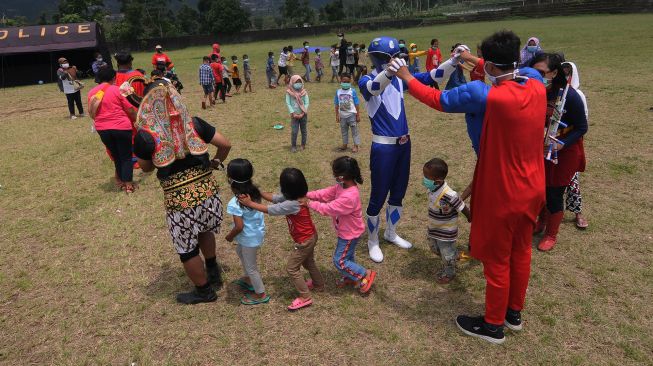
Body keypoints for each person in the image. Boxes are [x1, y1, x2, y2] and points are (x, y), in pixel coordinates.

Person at [393, 30, 547, 344]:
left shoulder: (484, 93)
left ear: (489, 65)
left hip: (502, 193)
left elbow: (438, 99)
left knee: (497, 259)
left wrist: (408, 76)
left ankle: (492, 326)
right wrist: (469, 58)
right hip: (533, 187)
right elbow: (509, 69)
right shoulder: (535, 82)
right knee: (521, 250)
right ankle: (513, 314)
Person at [134, 83, 232, 304]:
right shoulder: (194, 122)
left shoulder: (145, 136)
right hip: (208, 193)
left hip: (180, 202)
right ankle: (213, 270)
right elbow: (225, 144)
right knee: (205, 229)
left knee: (186, 248)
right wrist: (216, 161)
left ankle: (204, 291)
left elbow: (147, 168)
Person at [359, 36, 430, 263]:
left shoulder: (399, 80)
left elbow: (430, 77)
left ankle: (390, 232)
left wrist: (454, 61)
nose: (395, 60)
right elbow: (374, 89)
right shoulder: (366, 79)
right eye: (389, 57)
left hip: (403, 145)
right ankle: (372, 241)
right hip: (383, 147)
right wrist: (390, 71)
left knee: (398, 192)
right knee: (378, 195)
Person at [238, 168, 324, 311]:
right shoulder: (295, 197)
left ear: (286, 188)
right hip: (310, 236)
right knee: (309, 262)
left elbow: (271, 209)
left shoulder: (292, 204)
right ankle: (319, 284)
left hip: (304, 241)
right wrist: (258, 193)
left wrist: (250, 204)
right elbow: (275, 198)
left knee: (292, 268)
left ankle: (305, 296)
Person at [530, 53, 588, 252]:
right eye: (533, 71)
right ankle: (541, 221)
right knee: (541, 189)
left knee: (554, 192)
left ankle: (550, 234)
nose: (536, 75)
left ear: (554, 73)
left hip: (564, 153)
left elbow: (582, 127)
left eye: (541, 72)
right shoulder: (543, 92)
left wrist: (563, 143)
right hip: (542, 150)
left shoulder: (571, 96)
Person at [301, 156, 376, 294]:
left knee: (339, 261)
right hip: (347, 231)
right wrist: (307, 195)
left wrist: (309, 203)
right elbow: (326, 193)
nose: (334, 176)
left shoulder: (349, 197)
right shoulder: (342, 185)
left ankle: (365, 274)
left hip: (350, 234)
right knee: (347, 257)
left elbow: (329, 208)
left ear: (341, 176)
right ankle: (350, 276)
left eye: (335, 174)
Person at [224, 159, 270, 305]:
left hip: (249, 238)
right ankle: (249, 279)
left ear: (230, 179)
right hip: (255, 234)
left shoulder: (236, 202)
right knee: (239, 251)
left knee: (251, 268)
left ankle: (260, 294)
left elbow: (239, 227)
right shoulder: (254, 191)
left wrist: (229, 236)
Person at [88, 68, 137, 192]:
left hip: (102, 129)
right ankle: (129, 184)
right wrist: (137, 120)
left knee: (116, 155)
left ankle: (120, 181)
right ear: (113, 78)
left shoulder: (92, 92)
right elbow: (130, 109)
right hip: (121, 127)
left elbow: (92, 111)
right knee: (126, 156)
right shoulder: (117, 90)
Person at [423, 158, 471, 284]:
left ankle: (449, 272)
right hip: (433, 229)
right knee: (434, 248)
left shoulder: (449, 195)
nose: (424, 179)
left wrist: (470, 216)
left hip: (446, 233)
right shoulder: (432, 189)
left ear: (437, 181)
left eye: (427, 177)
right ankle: (455, 255)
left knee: (446, 253)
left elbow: (462, 206)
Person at [562, 61, 589, 229]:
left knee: (573, 180)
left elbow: (583, 123)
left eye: (567, 73)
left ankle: (578, 213)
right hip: (551, 142)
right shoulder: (553, 93)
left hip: (570, 143)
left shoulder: (577, 95)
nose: (565, 77)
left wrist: (567, 140)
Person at [334, 73, 361, 153]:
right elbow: (336, 104)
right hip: (342, 116)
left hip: (352, 115)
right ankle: (345, 144)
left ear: (350, 82)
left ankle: (356, 145)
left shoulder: (352, 91)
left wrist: (358, 115)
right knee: (344, 131)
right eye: (344, 81)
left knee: (354, 131)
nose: (345, 83)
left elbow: (356, 103)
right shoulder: (338, 92)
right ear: (340, 81)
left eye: (347, 82)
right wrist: (337, 115)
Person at [286, 75, 310, 153]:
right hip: (294, 116)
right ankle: (293, 146)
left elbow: (307, 103)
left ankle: (303, 144)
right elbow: (288, 103)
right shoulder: (289, 92)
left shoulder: (304, 92)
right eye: (296, 82)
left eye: (300, 82)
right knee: (294, 131)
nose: (298, 84)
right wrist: (293, 113)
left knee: (304, 130)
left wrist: (303, 112)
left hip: (303, 115)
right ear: (292, 82)